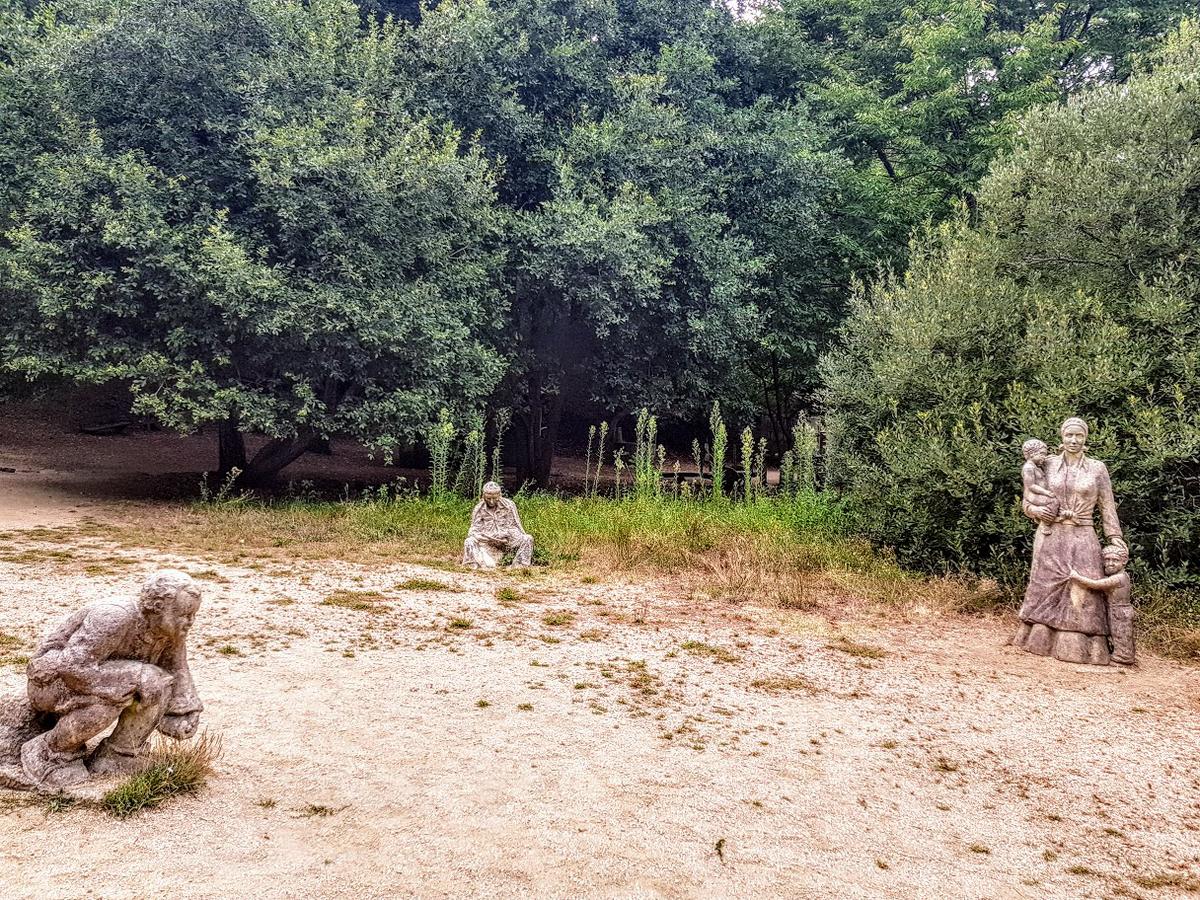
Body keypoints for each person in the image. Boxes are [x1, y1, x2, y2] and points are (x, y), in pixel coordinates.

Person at [21, 570, 204, 787]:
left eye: (193, 615)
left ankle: (118, 755)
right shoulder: (114, 616)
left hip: (95, 679)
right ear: (157, 608)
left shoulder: (169, 634)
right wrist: (134, 676)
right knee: (126, 689)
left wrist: (184, 713)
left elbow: (178, 672)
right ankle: (49, 754)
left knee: (158, 681)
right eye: (184, 614)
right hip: (53, 682)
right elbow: (72, 666)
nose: (190, 621)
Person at [1012, 417, 1127, 665]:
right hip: (1050, 535)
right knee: (1044, 588)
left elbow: (1108, 508)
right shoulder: (1047, 464)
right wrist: (1034, 511)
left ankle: (1085, 647)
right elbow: (1028, 499)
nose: (1074, 440)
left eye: (1079, 436)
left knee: (1084, 592)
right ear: (1061, 438)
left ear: (1086, 438)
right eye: (1069, 436)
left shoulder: (1097, 468)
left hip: (1084, 536)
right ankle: (1037, 638)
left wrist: (1116, 539)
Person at [1070, 542, 1135, 666]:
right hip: (1115, 610)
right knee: (1117, 633)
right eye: (1107, 560)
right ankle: (1121, 654)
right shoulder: (1120, 575)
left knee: (1121, 634)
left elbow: (1097, 585)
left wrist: (1077, 577)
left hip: (1120, 611)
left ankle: (1123, 658)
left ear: (1124, 562)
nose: (1110, 563)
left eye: (1115, 560)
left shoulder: (1119, 578)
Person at [462, 482, 534, 569]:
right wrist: (481, 536)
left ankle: (520, 566)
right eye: (488, 498)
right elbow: (473, 529)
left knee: (527, 538)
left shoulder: (509, 506)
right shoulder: (479, 509)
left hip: (507, 540)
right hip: (487, 542)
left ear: (500, 495)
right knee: (469, 541)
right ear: (484, 496)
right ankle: (472, 565)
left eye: (494, 498)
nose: (491, 501)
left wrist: (504, 534)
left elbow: (515, 526)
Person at [1021, 438, 1059, 536]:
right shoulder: (1028, 468)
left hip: (1038, 494)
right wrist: (1046, 492)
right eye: (1042, 454)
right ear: (1032, 454)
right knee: (1053, 501)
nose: (1044, 457)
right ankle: (1046, 523)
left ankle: (1048, 519)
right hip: (1032, 495)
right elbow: (1031, 486)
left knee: (1052, 501)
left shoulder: (1036, 466)